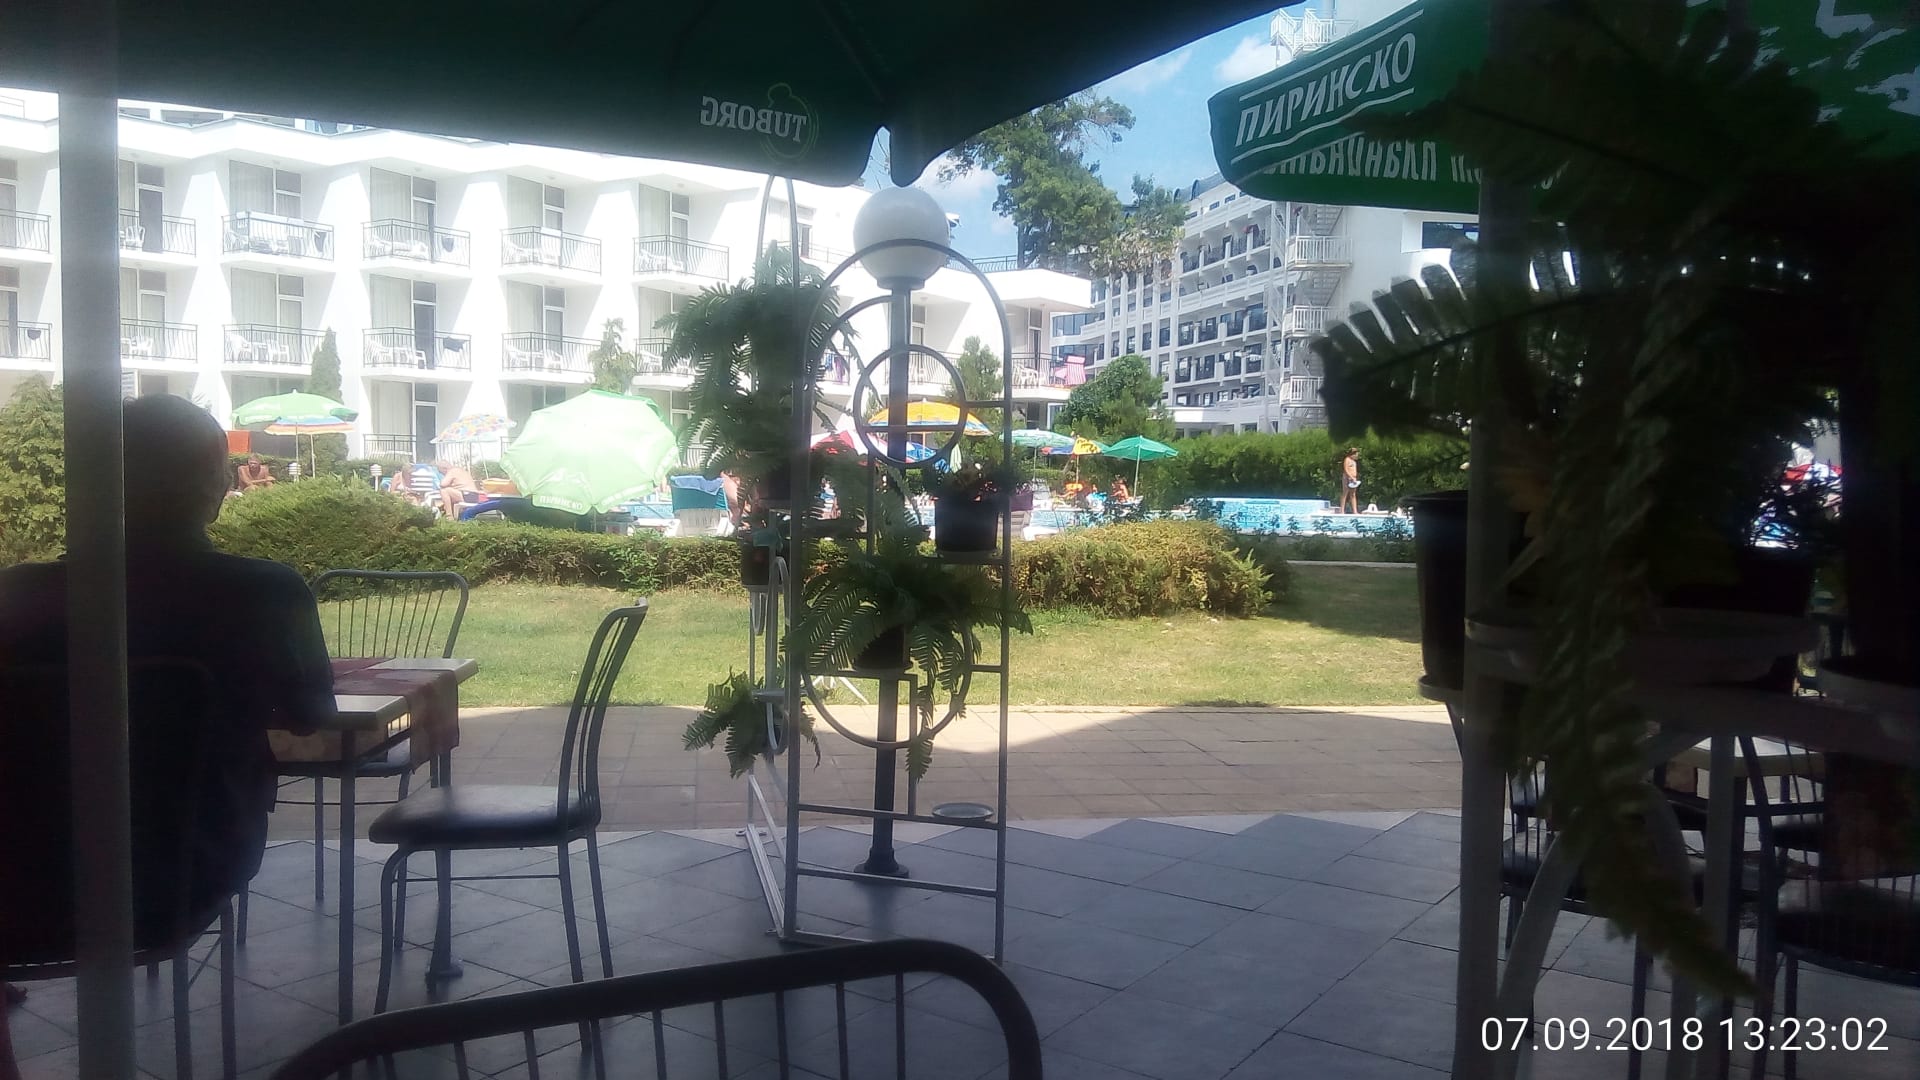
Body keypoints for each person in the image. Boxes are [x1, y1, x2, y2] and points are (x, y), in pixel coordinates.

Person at [0, 396, 332, 1021]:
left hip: (21, 889)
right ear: (213, 478)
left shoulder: (17, 595)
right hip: (182, 874)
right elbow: (310, 715)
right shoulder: (264, 592)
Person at [1338, 447, 1361, 514]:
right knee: (1345, 493)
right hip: (1347, 478)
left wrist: (1354, 478)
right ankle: (1342, 510)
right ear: (1352, 454)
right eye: (1356, 454)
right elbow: (1346, 470)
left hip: (1353, 479)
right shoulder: (1347, 459)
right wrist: (1350, 477)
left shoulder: (1354, 462)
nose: (1357, 456)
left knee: (1353, 494)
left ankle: (1355, 511)